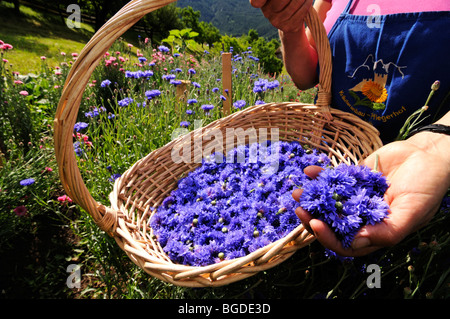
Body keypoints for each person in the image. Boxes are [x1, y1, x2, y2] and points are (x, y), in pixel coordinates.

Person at [250, 0, 450, 257]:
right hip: (332, 162)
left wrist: (436, 146)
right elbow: (307, 74)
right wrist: (291, 31)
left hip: (420, 185)